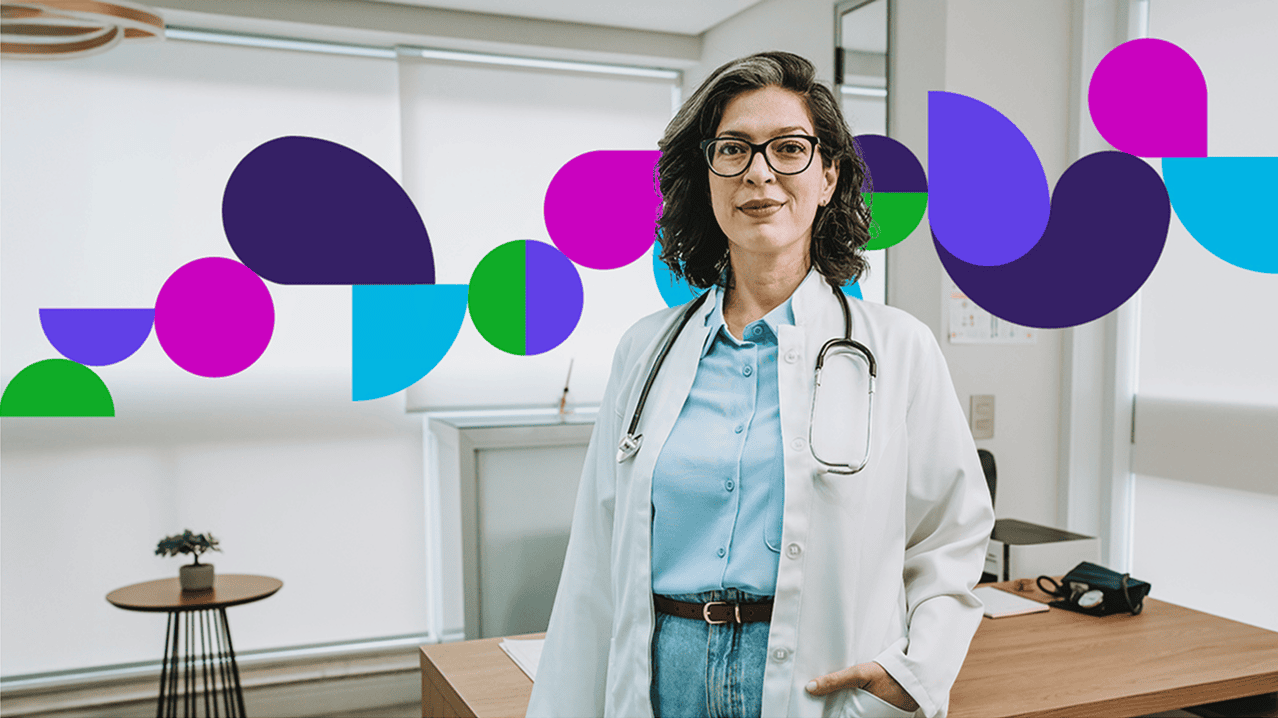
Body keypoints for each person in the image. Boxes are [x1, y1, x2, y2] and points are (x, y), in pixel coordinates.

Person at [526, 51, 994, 718]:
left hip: (816, 679)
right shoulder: (646, 349)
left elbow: (949, 534)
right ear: (707, 177)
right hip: (665, 676)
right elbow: (595, 560)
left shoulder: (897, 349)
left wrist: (917, 669)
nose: (760, 173)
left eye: (790, 148)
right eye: (733, 150)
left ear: (829, 176)